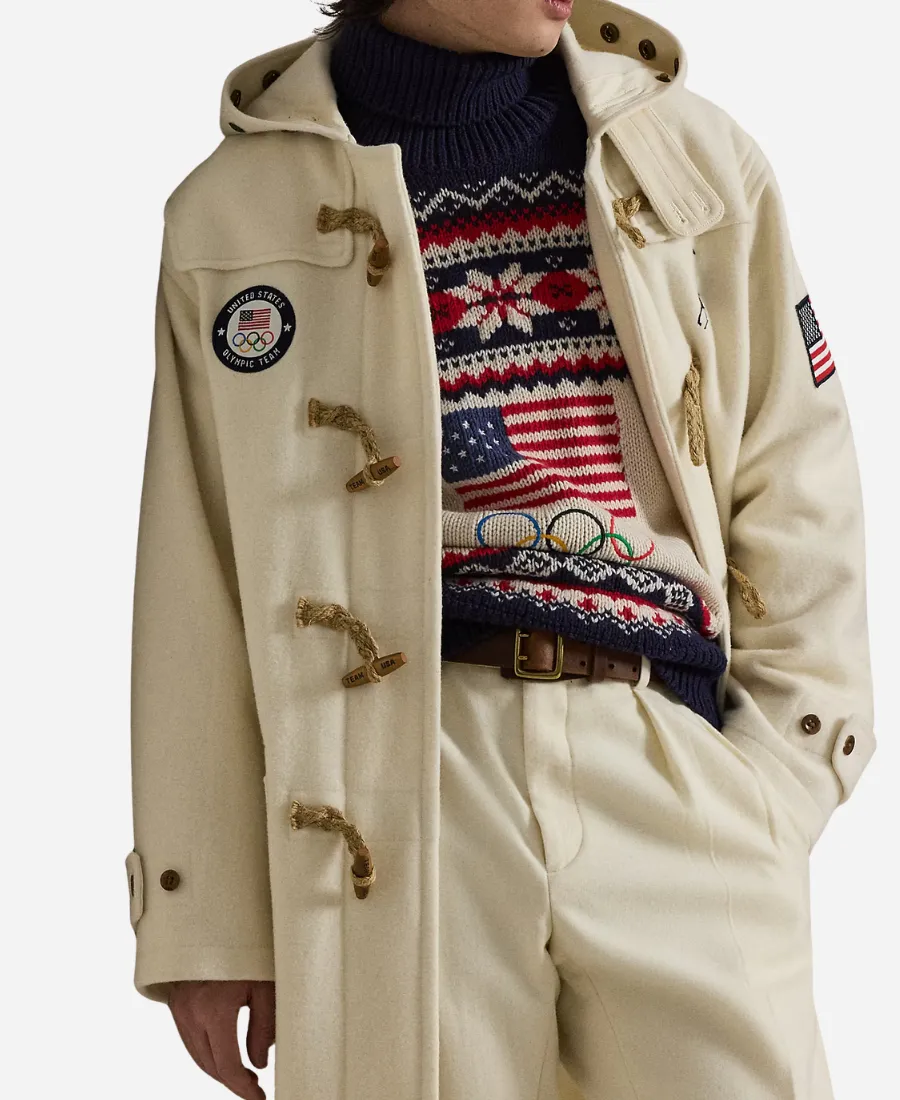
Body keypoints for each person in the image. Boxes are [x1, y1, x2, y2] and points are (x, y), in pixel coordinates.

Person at [126, 2, 876, 1099]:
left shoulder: (689, 157)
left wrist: (779, 783)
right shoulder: (232, 213)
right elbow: (196, 562)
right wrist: (207, 913)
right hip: (398, 779)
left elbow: (799, 473)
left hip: (670, 749)